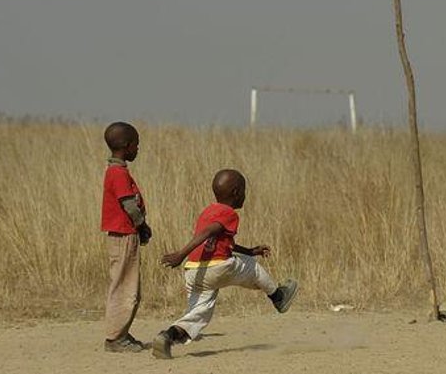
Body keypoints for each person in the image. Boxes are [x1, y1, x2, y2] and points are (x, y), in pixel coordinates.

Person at [152, 169, 298, 359]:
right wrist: (181, 253)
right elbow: (210, 231)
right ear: (236, 193)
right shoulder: (229, 213)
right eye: (244, 191)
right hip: (217, 267)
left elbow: (222, 242)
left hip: (194, 271)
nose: (245, 195)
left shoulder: (208, 211)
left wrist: (250, 251)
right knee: (252, 267)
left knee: (198, 313)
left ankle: (168, 336)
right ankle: (278, 296)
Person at [100, 121, 152, 352]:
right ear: (127, 145)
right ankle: (114, 338)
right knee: (125, 287)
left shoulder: (117, 171)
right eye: (136, 145)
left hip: (125, 234)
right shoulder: (118, 173)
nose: (138, 150)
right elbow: (129, 206)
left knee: (128, 286)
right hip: (124, 235)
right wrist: (142, 226)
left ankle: (120, 332)